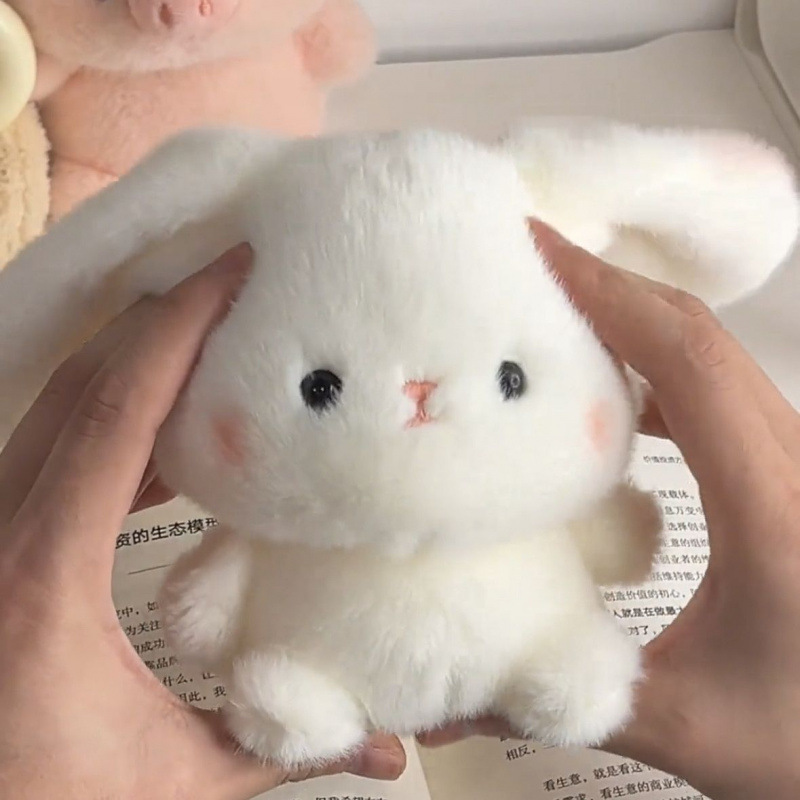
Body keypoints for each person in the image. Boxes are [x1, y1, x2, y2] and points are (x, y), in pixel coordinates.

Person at [1, 222, 799, 799]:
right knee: (286, 692)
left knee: (574, 669)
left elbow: (620, 539)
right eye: (322, 387)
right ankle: (302, 701)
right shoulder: (281, 524)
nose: (419, 398)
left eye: (509, 380)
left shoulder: (531, 504)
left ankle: (564, 670)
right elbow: (204, 612)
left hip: (533, 644)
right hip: (317, 660)